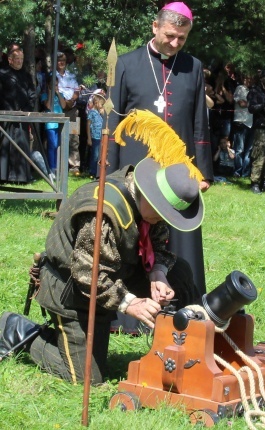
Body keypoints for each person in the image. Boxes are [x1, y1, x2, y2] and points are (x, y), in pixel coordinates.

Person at [0, 156, 204, 385]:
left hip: (115, 275)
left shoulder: (148, 202)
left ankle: (185, 351)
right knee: (86, 378)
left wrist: (158, 273)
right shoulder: (103, 213)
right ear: (149, 194)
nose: (161, 220)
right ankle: (17, 330)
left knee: (180, 272)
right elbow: (87, 273)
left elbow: (157, 241)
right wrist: (130, 303)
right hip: (73, 290)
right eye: (160, 213)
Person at [107, 2, 213, 294]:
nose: (175, 42)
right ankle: (132, 306)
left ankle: (181, 297)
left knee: (179, 230)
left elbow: (199, 123)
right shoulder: (127, 64)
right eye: (170, 35)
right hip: (135, 163)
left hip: (179, 166)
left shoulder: (193, 67)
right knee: (132, 232)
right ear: (155, 27)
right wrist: (109, 172)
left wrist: (202, 172)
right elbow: (112, 122)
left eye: (182, 38)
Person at [0, 47, 36, 183]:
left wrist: (25, 110)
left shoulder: (26, 76)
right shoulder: (2, 74)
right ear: (10, 60)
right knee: (5, 145)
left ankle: (21, 177)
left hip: (21, 117)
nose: (20, 62)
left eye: (21, 59)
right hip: (5, 116)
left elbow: (32, 95)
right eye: (17, 59)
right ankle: (3, 176)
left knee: (21, 145)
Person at [56, 51, 82, 176]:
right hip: (59, 110)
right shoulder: (53, 76)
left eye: (63, 61)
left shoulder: (71, 75)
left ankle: (74, 165)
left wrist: (72, 100)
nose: (61, 63)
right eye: (59, 60)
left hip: (72, 110)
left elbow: (76, 90)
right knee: (58, 137)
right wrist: (65, 102)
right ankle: (59, 165)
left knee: (74, 137)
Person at [40, 74, 67, 177]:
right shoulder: (45, 95)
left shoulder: (60, 94)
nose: (55, 86)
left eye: (56, 84)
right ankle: (51, 168)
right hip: (50, 123)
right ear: (48, 85)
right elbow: (48, 105)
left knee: (57, 145)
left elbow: (64, 106)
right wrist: (50, 93)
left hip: (59, 122)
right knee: (52, 145)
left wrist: (58, 93)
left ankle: (56, 167)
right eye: (52, 85)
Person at [232, 74, 254, 177]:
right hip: (241, 122)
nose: (249, 80)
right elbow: (241, 103)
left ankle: (245, 173)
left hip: (251, 123)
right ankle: (237, 172)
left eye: (251, 78)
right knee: (239, 150)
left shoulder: (252, 90)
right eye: (247, 78)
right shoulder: (240, 88)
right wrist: (254, 104)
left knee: (249, 150)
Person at [86, 90, 105, 178]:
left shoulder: (101, 113)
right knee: (95, 155)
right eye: (102, 104)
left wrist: (103, 113)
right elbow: (88, 124)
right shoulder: (92, 112)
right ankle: (92, 172)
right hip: (95, 137)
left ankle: (99, 172)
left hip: (101, 136)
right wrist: (89, 138)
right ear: (96, 103)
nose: (102, 106)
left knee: (101, 154)